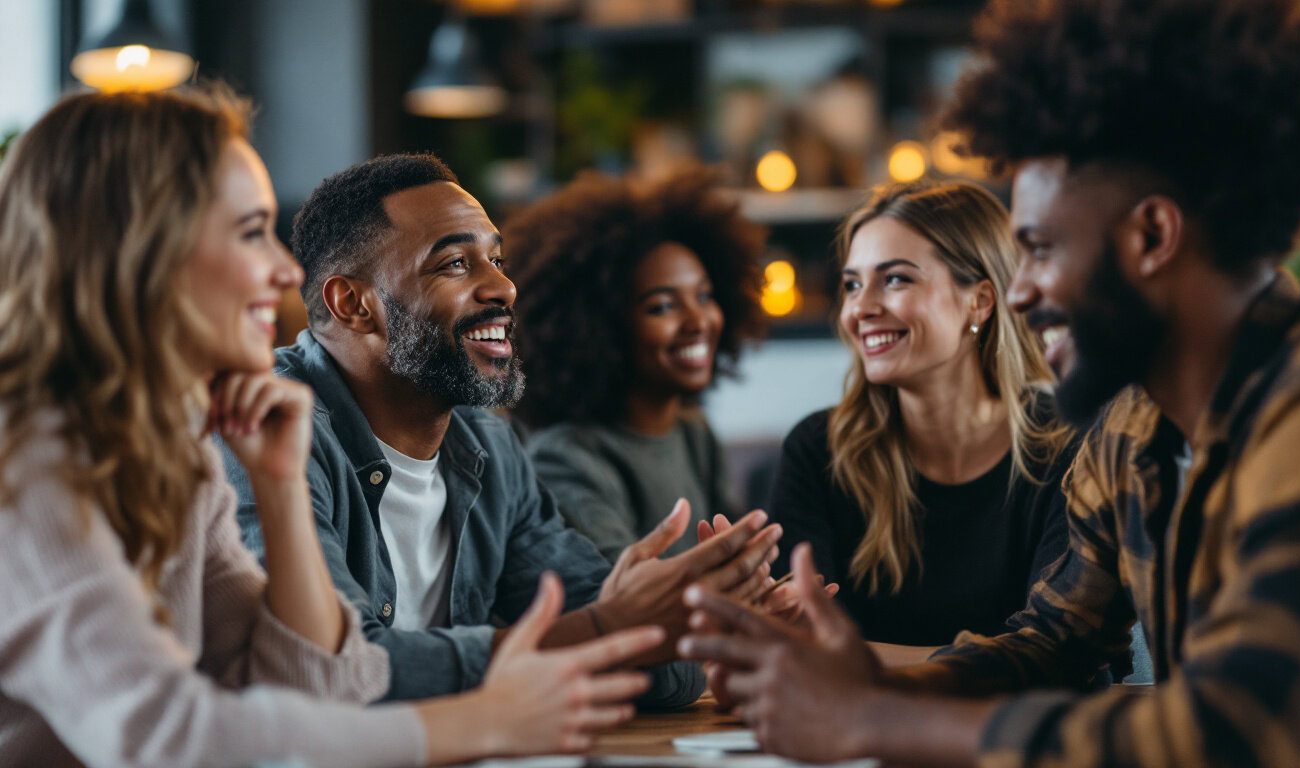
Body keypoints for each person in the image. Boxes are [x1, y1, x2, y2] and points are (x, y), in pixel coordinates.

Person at [679, 0, 1300, 765]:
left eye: (1040, 248)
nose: (1021, 293)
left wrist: (873, 722)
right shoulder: (1130, 432)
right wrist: (859, 681)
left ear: (1152, 236)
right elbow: (1051, 644)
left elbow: (1240, 730)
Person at [0, 86, 671, 768]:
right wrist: (482, 724)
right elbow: (166, 737)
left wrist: (280, 483)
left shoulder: (177, 449)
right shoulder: (23, 465)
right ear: (141, 251)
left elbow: (318, 682)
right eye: (249, 232)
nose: (286, 269)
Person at [223, 153, 782, 705]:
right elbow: (337, 671)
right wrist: (607, 633)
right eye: (455, 265)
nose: (504, 289)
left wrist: (690, 624)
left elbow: (654, 666)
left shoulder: (489, 446)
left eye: (497, 259)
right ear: (353, 304)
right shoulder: (263, 432)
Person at [767, 180, 1076, 662]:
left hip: (1018, 737)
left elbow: (1060, 654)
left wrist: (850, 662)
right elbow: (798, 643)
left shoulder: (1068, 445)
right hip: (853, 734)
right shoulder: (818, 450)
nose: (861, 309)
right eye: (852, 284)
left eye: (895, 279)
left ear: (980, 301)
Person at [503, 167, 765, 562]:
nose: (698, 322)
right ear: (597, 326)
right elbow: (627, 596)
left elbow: (738, 557)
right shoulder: (566, 458)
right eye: (662, 306)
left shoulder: (693, 432)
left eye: (705, 296)